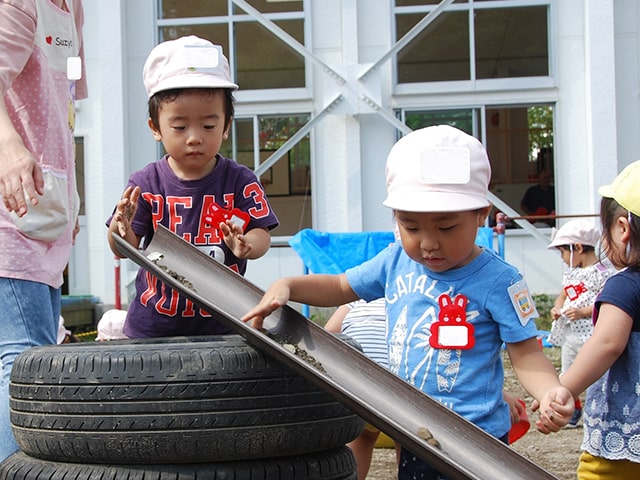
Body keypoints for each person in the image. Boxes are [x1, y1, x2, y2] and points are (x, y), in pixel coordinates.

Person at [243, 125, 574, 480]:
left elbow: (527, 354)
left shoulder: (500, 281)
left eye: (446, 228)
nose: (428, 243)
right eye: (411, 227)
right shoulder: (395, 260)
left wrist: (550, 390)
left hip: (476, 441)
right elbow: (341, 286)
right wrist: (288, 285)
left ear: (481, 213)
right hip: (414, 431)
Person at [107, 36, 278, 339]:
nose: (194, 137)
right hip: (153, 329)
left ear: (226, 126)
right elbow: (124, 248)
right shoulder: (145, 184)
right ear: (155, 128)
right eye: (180, 126)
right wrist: (121, 227)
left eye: (209, 126)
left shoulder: (240, 181)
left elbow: (261, 233)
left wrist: (247, 245)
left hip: (226, 324)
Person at [0, 0, 87, 462]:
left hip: (45, 214)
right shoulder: (18, 3)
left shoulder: (72, 9)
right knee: (22, 366)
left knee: (40, 359)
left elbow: (65, 106)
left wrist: (71, 203)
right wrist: (10, 147)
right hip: (12, 215)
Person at [558, 160, 640, 478]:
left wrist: (562, 389)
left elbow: (607, 344)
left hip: (625, 442)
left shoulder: (625, 284)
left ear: (622, 228)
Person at [547, 219, 615, 428]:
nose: (563, 258)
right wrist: (557, 308)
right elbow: (563, 295)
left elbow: (606, 301)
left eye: (563, 252)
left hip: (592, 335)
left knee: (595, 374)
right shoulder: (571, 273)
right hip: (570, 333)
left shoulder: (602, 272)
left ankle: (598, 410)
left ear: (577, 247)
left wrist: (584, 311)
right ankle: (573, 410)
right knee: (566, 373)